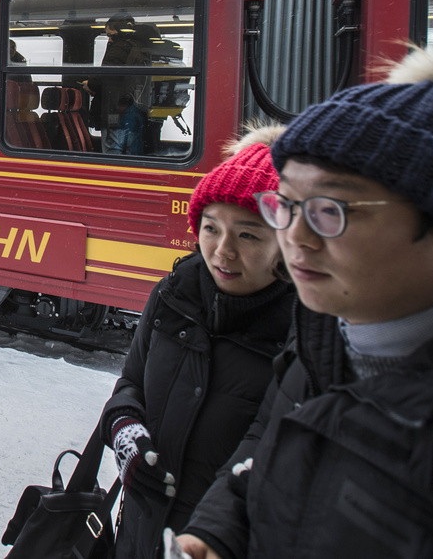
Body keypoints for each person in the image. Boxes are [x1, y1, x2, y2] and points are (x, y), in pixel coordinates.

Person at [179, 46, 433, 559]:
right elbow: (267, 448)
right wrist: (219, 532)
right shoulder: (320, 336)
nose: (297, 238)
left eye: (332, 210)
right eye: (284, 206)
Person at [100, 127, 295, 559]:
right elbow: (129, 386)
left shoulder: (304, 337)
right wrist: (125, 432)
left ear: (285, 243)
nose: (223, 251)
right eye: (211, 228)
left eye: (248, 235)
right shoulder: (172, 295)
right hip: (138, 534)